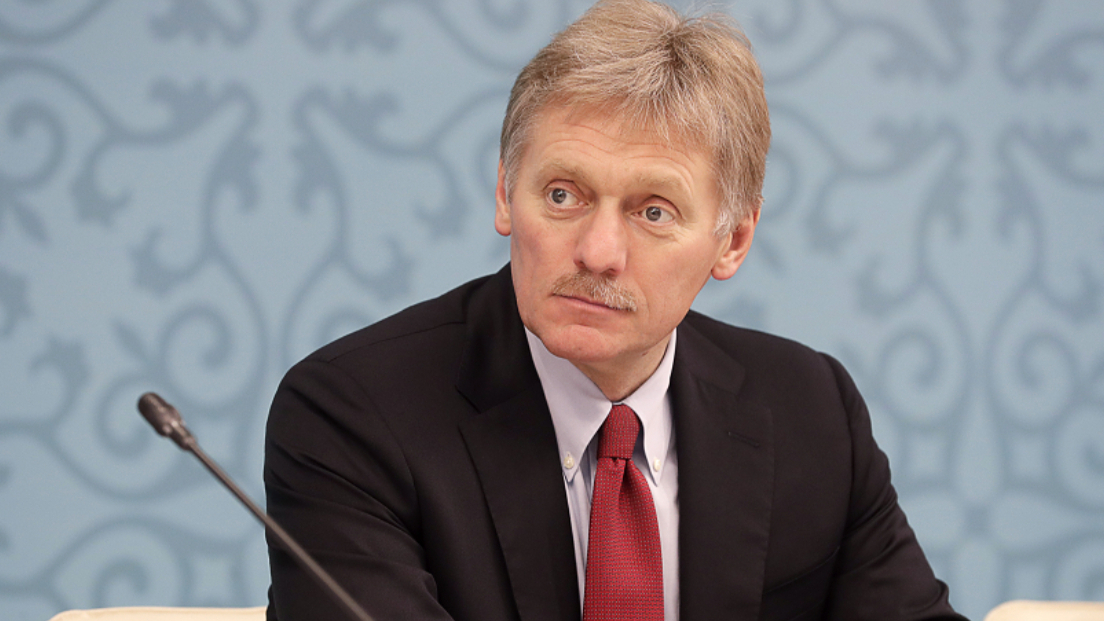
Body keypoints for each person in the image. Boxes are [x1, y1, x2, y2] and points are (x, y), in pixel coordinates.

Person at [264, 1, 966, 619]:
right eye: (563, 195)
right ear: (505, 194)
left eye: (653, 211)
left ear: (733, 240)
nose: (597, 253)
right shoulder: (354, 414)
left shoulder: (811, 412)